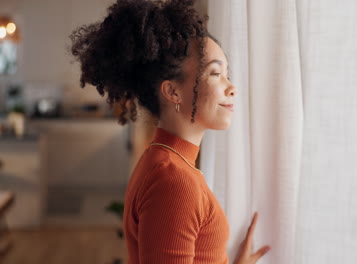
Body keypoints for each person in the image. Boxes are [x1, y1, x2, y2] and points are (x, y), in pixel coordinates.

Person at [69, 0, 271, 263]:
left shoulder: (167, 164)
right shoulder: (174, 181)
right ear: (173, 92)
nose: (231, 87)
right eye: (215, 73)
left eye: (227, 74)